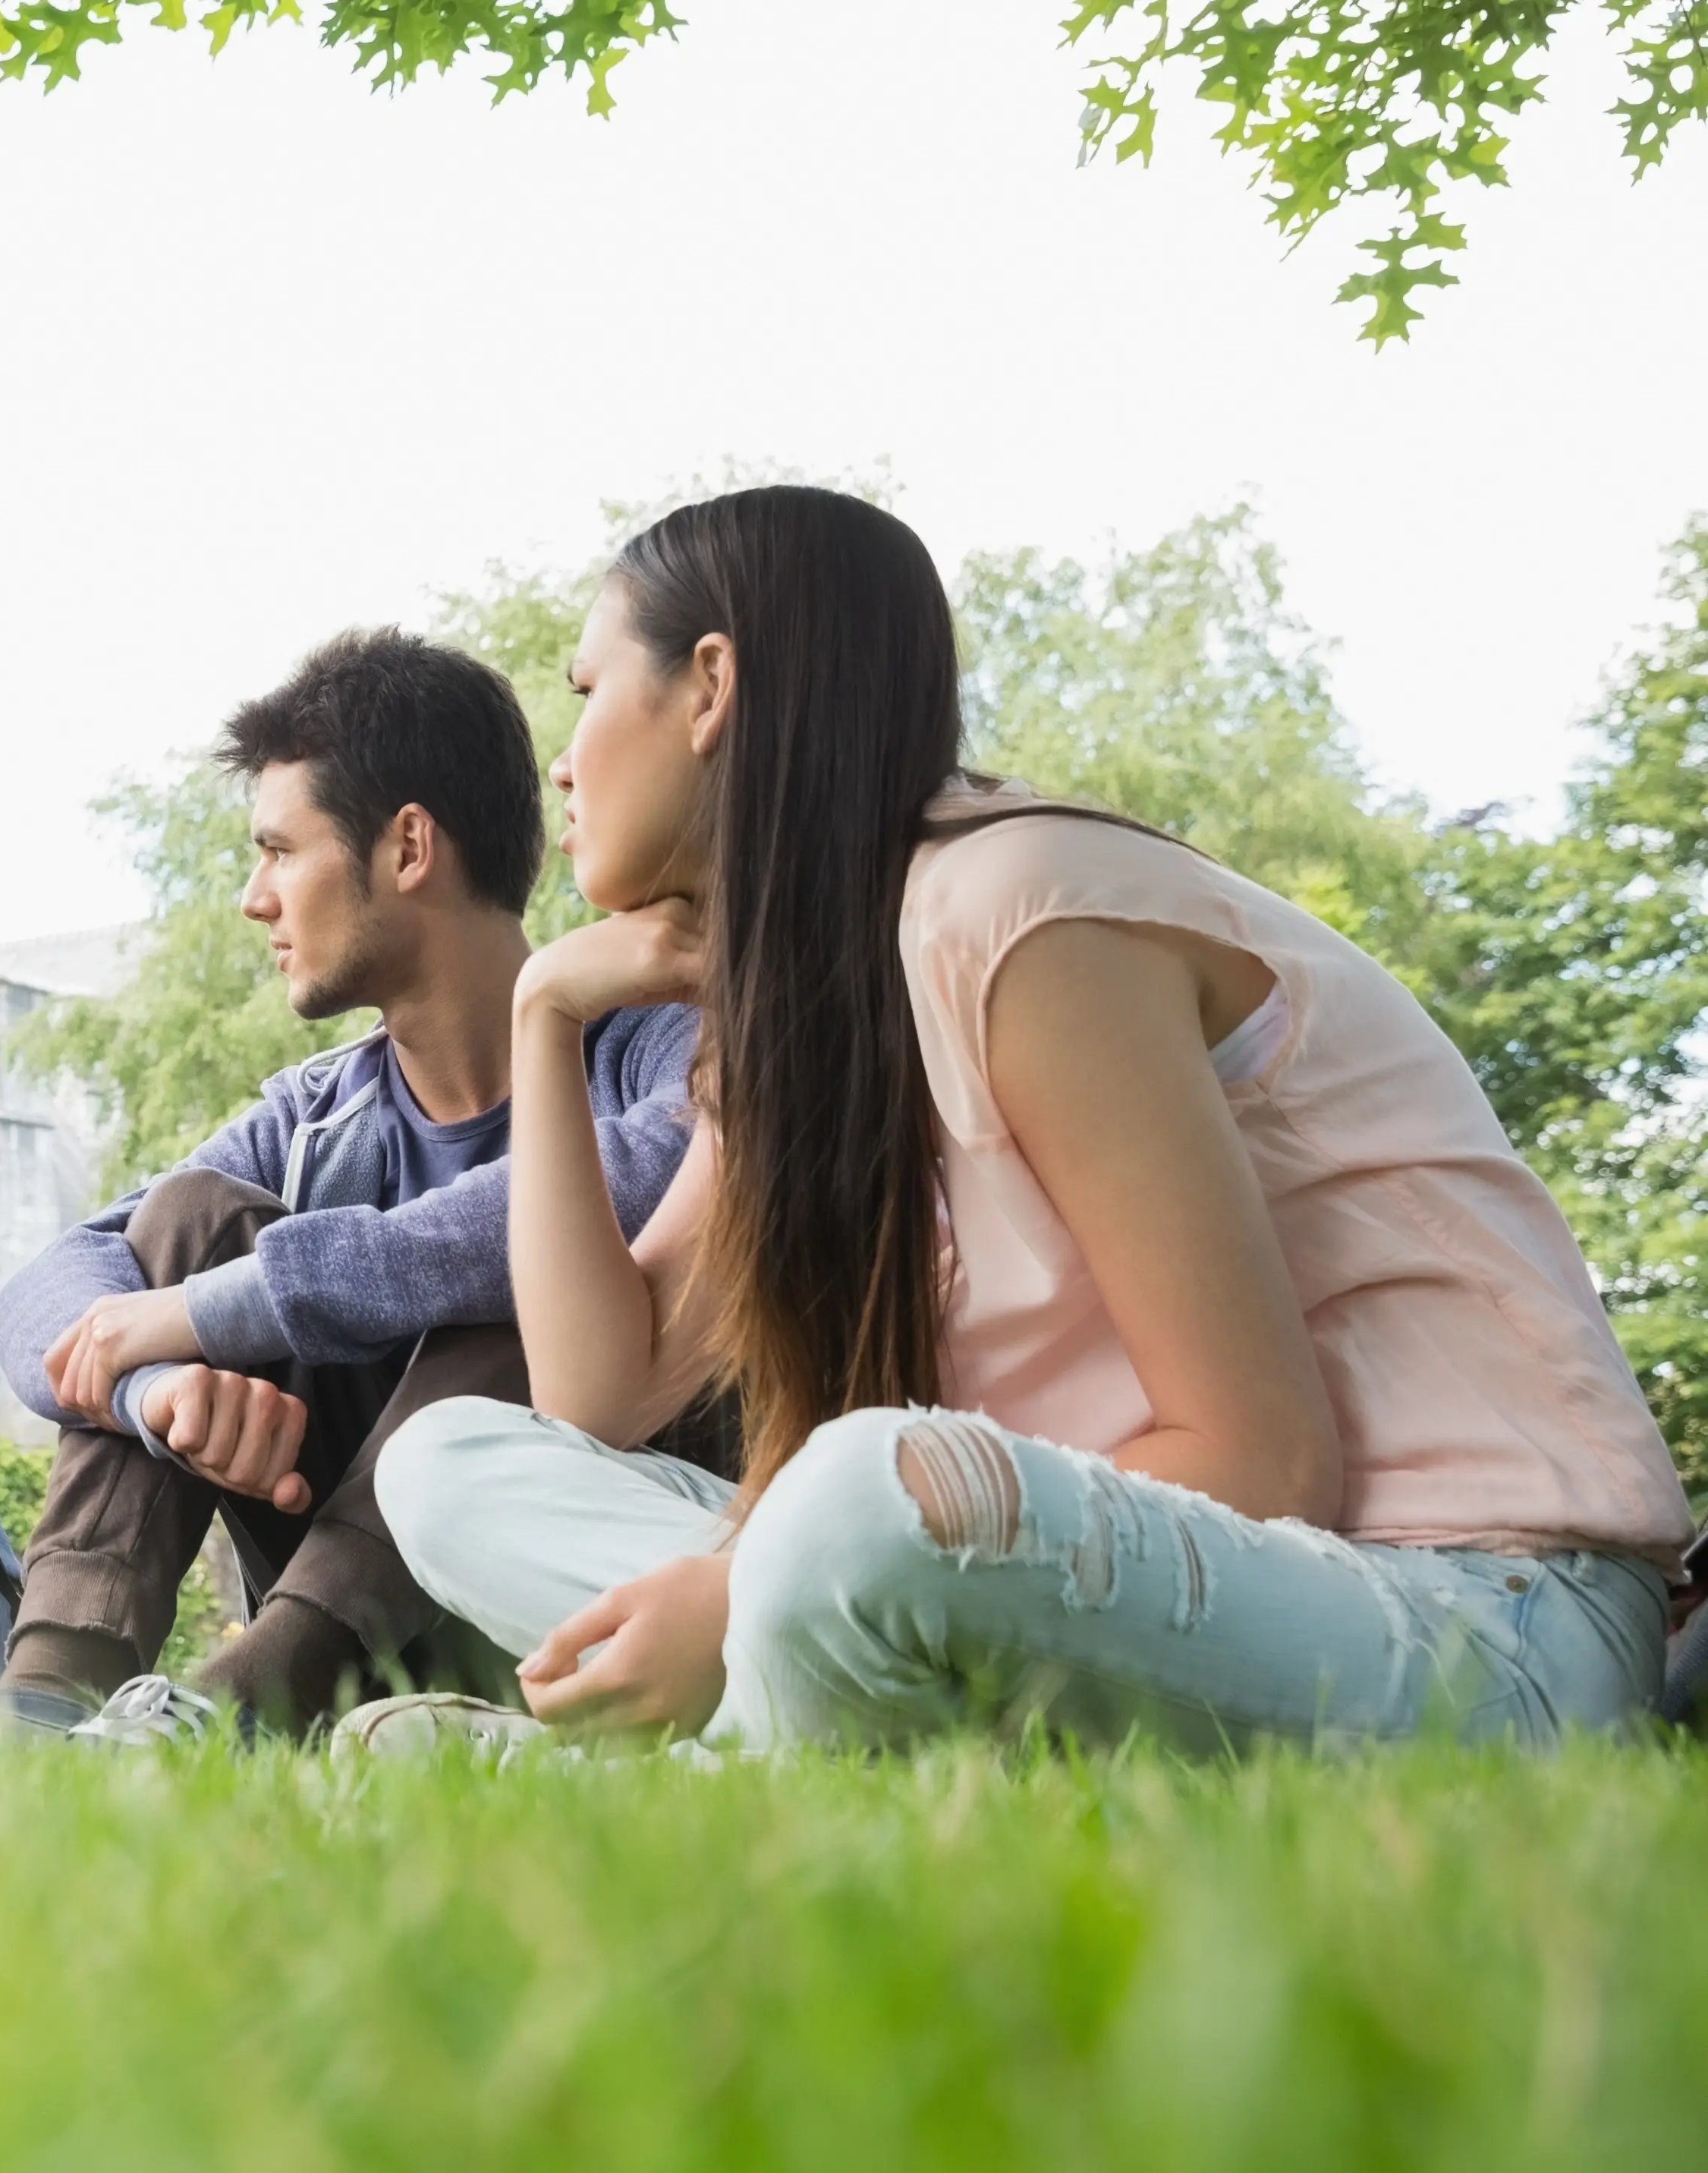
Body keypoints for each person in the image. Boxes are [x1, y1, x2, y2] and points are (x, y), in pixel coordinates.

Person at [368, 483, 1691, 1750]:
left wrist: (736, 1593)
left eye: (588, 692)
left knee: (849, 1500)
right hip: (1152, 1594)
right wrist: (543, 1014)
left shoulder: (1020, 914)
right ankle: (814, 1700)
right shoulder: (820, 995)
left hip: (1478, 1616)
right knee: (445, 1465)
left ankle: (700, 1754)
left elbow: (1264, 1455)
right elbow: (596, 1390)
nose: (563, 756)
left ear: (707, 686)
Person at [0, 630, 700, 1746]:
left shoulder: (661, 1046)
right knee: (187, 1221)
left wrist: (203, 1313)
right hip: (364, 1612)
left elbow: (557, 1211)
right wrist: (156, 1385)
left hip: (572, 1603)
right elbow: (44, 1297)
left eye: (277, 850)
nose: (250, 898)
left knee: (520, 1264)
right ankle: (42, 1703)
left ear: (407, 846)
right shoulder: (313, 1113)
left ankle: (243, 1704)